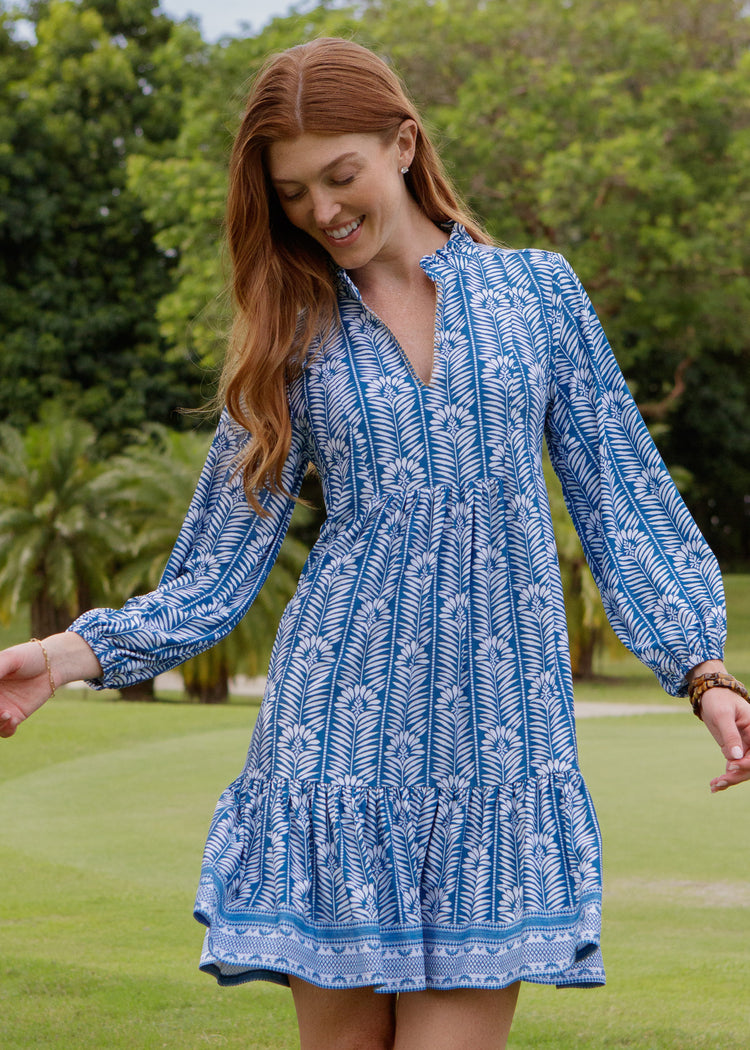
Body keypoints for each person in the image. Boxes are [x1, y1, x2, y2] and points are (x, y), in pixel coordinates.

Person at [1, 36, 748, 1050]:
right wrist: (58, 657)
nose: (321, 209)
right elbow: (219, 566)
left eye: (339, 175)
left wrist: (706, 673)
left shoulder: (540, 295)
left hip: (502, 748)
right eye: (295, 192)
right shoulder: (291, 327)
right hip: (335, 747)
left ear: (403, 144)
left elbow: (623, 496)